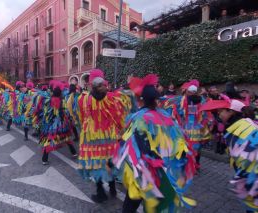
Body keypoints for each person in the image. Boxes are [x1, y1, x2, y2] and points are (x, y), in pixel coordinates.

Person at [114, 74, 196, 213]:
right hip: (164, 168)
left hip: (144, 169)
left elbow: (129, 143)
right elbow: (180, 142)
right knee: (154, 202)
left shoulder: (138, 118)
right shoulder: (166, 116)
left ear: (140, 100)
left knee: (133, 200)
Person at [76, 69, 128, 203]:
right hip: (109, 136)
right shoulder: (112, 98)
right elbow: (119, 116)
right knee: (109, 161)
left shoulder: (83, 98)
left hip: (91, 137)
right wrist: (121, 131)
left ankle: (101, 192)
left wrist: (85, 129)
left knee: (96, 164)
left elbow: (81, 117)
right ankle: (112, 188)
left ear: (90, 84)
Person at [200, 98, 258, 213]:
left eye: (221, 111)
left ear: (231, 111)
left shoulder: (242, 127)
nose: (219, 114)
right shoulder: (238, 125)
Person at [39, 80, 77, 164]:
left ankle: (44, 159)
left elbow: (45, 112)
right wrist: (70, 119)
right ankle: (74, 153)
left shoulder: (47, 101)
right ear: (60, 93)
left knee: (49, 140)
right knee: (66, 138)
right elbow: (66, 112)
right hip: (62, 124)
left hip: (51, 125)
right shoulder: (62, 101)